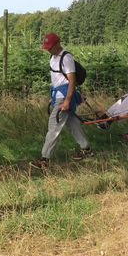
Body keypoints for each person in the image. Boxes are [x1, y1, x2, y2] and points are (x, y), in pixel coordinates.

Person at [31, 33, 92, 169]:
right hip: (58, 95)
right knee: (72, 122)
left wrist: (67, 101)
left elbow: (71, 81)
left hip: (65, 97)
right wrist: (53, 97)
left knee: (54, 126)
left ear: (57, 44)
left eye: (50, 47)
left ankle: (44, 159)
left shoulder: (66, 58)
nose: (48, 49)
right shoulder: (53, 57)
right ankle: (86, 149)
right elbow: (57, 79)